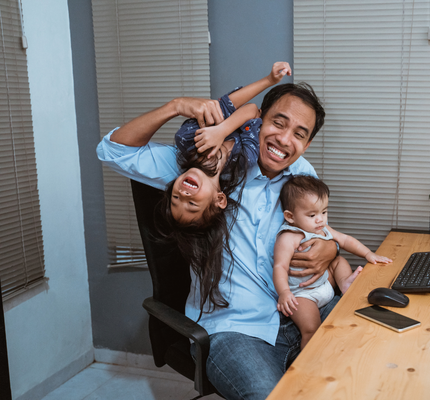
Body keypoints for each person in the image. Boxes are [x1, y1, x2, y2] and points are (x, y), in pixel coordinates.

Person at [97, 73, 337, 399]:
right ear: (258, 120)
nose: (284, 139)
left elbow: (318, 232)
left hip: (303, 309)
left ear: (306, 144)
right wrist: (175, 106)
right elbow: (113, 151)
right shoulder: (206, 168)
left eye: (299, 133)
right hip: (236, 331)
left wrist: (331, 247)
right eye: (278, 123)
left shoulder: (302, 174)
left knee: (371, 357)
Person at [274, 175, 392, 348]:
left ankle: (344, 283)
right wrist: (284, 292)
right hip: (303, 295)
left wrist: (368, 254)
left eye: (324, 212)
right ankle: (307, 362)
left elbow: (345, 240)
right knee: (311, 329)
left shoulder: (323, 228)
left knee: (339, 260)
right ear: (290, 216)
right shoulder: (288, 238)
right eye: (312, 215)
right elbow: (280, 266)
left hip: (325, 287)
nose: (320, 219)